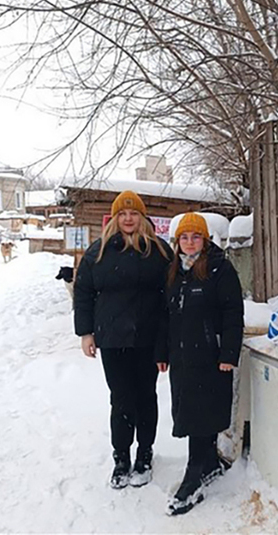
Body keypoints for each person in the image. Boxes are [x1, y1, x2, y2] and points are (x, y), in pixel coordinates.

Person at [74, 191, 173, 489]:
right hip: (113, 339)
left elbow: (170, 297)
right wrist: (86, 332)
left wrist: (167, 339)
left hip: (147, 337)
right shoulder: (99, 252)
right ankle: (121, 456)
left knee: (146, 397)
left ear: (143, 218)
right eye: (123, 214)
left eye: (134, 213)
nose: (128, 219)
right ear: (115, 218)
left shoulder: (158, 251)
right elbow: (84, 293)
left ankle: (145, 453)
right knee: (120, 399)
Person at [156, 213, 244, 515]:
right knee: (190, 409)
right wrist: (162, 352)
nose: (190, 242)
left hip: (209, 355)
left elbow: (233, 314)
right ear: (177, 242)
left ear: (204, 240)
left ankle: (194, 475)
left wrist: (228, 354)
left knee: (200, 412)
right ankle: (206, 462)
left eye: (195, 237)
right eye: (184, 237)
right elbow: (165, 317)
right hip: (182, 356)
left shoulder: (220, 269)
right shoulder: (174, 272)